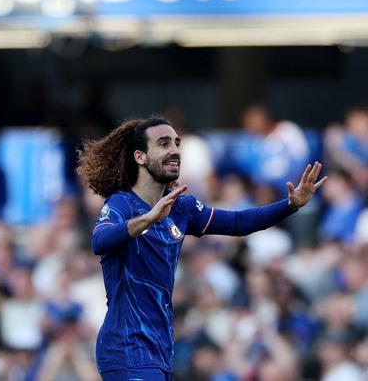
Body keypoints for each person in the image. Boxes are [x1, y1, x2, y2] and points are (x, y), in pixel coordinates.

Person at [76, 117, 327, 381]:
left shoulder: (182, 208)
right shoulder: (121, 204)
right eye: (163, 144)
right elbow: (99, 241)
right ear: (140, 156)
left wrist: (290, 205)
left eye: (176, 143)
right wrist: (148, 219)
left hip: (159, 348)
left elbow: (238, 222)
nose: (174, 150)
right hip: (126, 346)